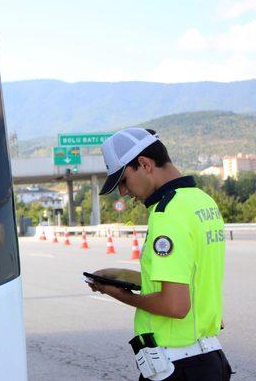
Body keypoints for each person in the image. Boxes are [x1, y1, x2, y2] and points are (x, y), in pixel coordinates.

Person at [87, 128, 232, 380]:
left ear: (144, 164)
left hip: (179, 365)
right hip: (208, 358)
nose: (123, 191)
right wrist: (120, 276)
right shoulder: (202, 202)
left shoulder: (168, 214)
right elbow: (188, 278)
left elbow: (175, 305)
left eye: (123, 180)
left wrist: (120, 295)